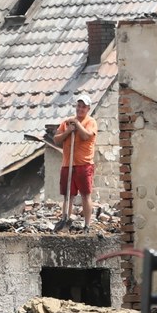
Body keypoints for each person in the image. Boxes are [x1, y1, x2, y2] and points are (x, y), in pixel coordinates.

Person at [53, 94, 99, 228]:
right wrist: (68, 131)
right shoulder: (67, 123)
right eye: (79, 106)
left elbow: (85, 136)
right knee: (68, 195)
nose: (80, 109)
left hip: (84, 164)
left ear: (88, 108)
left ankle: (87, 224)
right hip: (68, 164)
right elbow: (56, 139)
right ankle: (65, 219)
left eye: (83, 107)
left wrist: (77, 125)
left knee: (85, 194)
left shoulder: (91, 122)